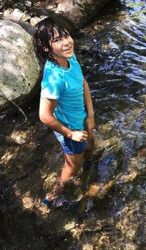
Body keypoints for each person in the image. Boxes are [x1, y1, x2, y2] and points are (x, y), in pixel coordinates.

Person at [33, 17, 95, 207]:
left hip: (82, 118)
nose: (67, 42)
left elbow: (82, 82)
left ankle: (90, 161)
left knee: (91, 144)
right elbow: (44, 115)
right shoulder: (53, 79)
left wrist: (91, 116)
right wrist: (71, 133)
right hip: (70, 129)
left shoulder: (70, 57)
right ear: (46, 47)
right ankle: (53, 196)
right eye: (58, 40)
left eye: (66, 35)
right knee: (73, 165)